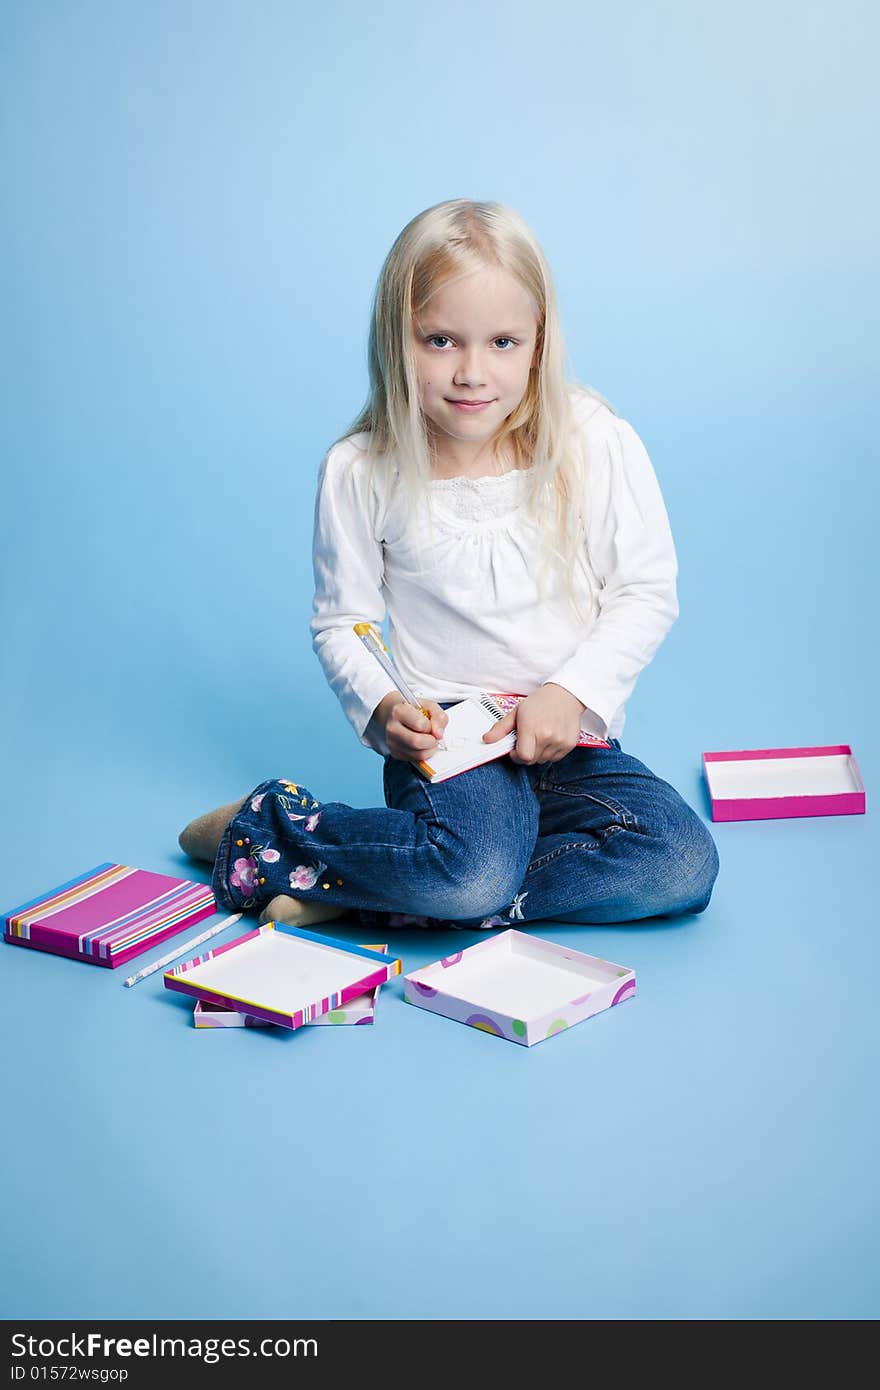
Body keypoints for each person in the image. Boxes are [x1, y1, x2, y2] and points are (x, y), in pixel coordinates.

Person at [178, 198, 719, 932]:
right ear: (396, 338)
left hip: (568, 731)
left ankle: (373, 882)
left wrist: (569, 691)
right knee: (472, 876)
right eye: (440, 340)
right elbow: (344, 622)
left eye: (502, 341)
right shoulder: (361, 469)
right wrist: (384, 706)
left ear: (539, 341)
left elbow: (645, 591)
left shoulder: (594, 438)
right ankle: (272, 827)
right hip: (453, 737)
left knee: (679, 864)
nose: (471, 373)